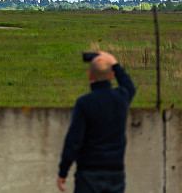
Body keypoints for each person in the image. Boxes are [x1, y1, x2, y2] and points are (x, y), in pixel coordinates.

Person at [57, 50, 136, 192]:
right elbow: (130, 87)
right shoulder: (121, 98)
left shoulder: (84, 103)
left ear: (89, 75)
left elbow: (74, 141)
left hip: (89, 171)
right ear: (111, 76)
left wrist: (63, 171)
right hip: (115, 170)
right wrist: (115, 63)